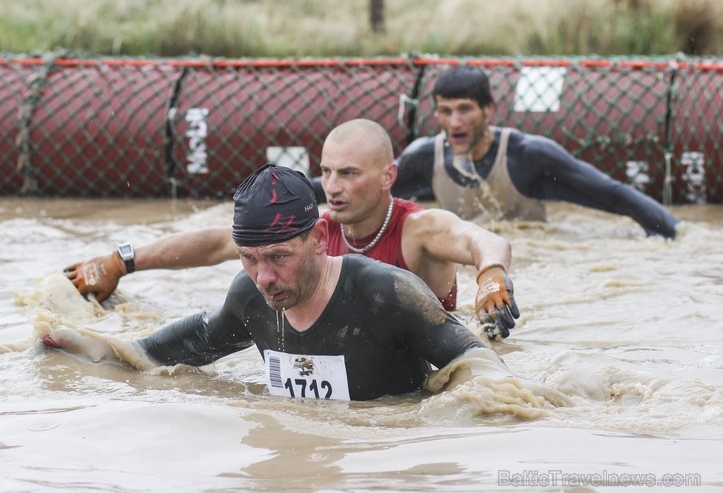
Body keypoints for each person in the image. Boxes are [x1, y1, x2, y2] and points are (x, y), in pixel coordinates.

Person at [44, 164, 493, 402]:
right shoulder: (249, 298)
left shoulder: (385, 292)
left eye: (279, 257)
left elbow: (480, 363)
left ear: (318, 238)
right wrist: (86, 348)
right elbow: (175, 348)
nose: (265, 278)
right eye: (249, 259)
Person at [65, 119, 520, 339]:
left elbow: (482, 239)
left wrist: (491, 275)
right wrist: (120, 260)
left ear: (387, 177)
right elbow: (219, 242)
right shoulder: (317, 228)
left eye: (348, 173)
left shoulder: (417, 230)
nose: (332, 187)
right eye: (326, 172)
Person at [391, 65, 680, 239]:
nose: (454, 122)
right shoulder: (424, 157)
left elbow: (611, 193)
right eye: (445, 111)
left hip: (532, 260)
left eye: (465, 109)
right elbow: (369, 195)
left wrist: (674, 233)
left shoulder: (528, 155)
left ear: (488, 110)